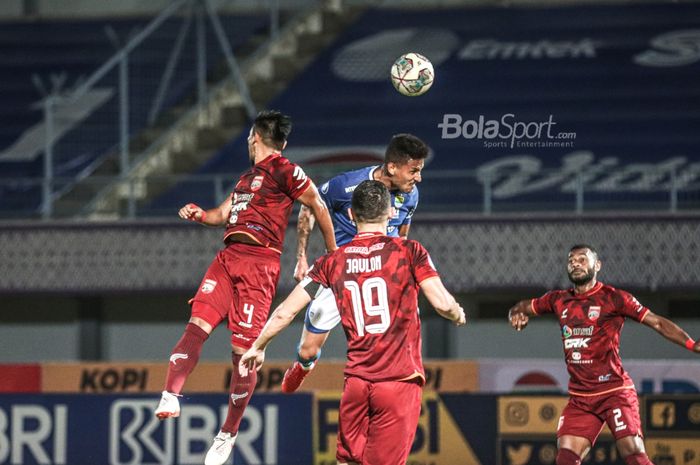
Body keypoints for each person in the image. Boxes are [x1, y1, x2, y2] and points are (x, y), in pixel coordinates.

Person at [153, 110, 337, 465]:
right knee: (197, 324)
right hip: (227, 259)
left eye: (250, 137)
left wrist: (333, 254)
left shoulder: (286, 170)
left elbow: (317, 204)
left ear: (254, 137)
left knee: (245, 356)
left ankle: (227, 433)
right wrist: (199, 214)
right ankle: (170, 395)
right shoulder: (245, 178)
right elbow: (221, 216)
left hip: (259, 267)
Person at [241, 179, 466, 465]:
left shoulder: (333, 261)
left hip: (357, 383)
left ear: (350, 215)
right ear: (390, 215)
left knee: (346, 462)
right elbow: (443, 304)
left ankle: (305, 362)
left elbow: (286, 311)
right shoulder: (409, 252)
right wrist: (457, 313)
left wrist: (259, 346)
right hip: (398, 382)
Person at [507, 244, 700, 465]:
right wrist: (515, 313)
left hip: (614, 390)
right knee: (565, 457)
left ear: (597, 265)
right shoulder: (558, 300)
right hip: (581, 397)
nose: (575, 264)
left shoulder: (614, 298)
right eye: (571, 260)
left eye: (582, 259)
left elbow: (656, 321)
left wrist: (691, 344)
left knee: (633, 454)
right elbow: (523, 307)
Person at [283, 133, 429, 392]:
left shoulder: (411, 195)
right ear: (392, 167)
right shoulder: (346, 186)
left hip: (382, 274)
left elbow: (402, 236)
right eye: (414, 171)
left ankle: (402, 382)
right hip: (343, 271)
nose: (418, 178)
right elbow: (309, 207)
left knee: (404, 332)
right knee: (308, 349)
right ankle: (304, 365)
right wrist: (301, 257)